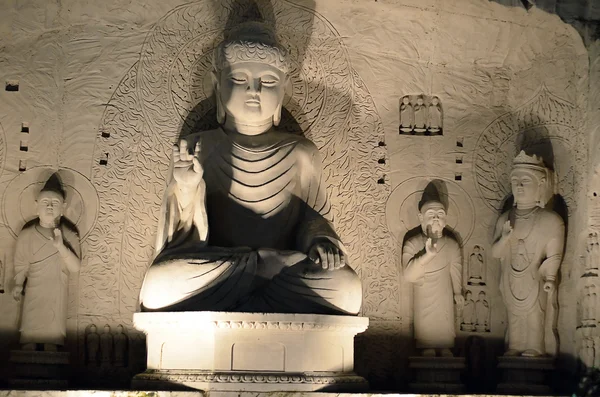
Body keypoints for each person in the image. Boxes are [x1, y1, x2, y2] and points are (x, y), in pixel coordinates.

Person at [139, 21, 361, 315]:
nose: (254, 89)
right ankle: (259, 269)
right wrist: (187, 188)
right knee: (158, 287)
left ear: (283, 90)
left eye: (268, 81)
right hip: (230, 267)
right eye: (240, 79)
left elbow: (313, 218)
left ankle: (257, 274)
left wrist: (321, 241)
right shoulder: (196, 147)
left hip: (279, 267)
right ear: (218, 85)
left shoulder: (301, 152)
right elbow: (180, 241)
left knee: (347, 290)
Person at [492, 151, 564, 357]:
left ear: (540, 185)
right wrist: (504, 238)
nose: (519, 186)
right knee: (514, 315)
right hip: (510, 276)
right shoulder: (505, 218)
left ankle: (535, 346)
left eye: (525, 181)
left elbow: (554, 255)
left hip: (535, 276)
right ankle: (515, 345)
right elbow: (496, 253)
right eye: (515, 181)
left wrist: (550, 277)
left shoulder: (551, 220)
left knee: (535, 314)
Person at [12, 173, 81, 351]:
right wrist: (18, 284)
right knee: (28, 340)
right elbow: (21, 263)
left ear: (63, 207)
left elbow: (75, 268)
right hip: (34, 291)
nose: (49, 206)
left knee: (52, 342)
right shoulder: (27, 234)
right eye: (45, 202)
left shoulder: (69, 234)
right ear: (36, 206)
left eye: (55, 203)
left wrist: (61, 246)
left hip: (56, 292)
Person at [402, 182, 463, 357]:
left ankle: (445, 346)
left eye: (440, 214)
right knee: (426, 322)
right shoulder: (413, 243)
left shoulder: (451, 245)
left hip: (444, 291)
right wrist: (427, 255)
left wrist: (457, 292)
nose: (436, 219)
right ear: (420, 217)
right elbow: (408, 275)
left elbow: (455, 269)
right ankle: (426, 346)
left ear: (445, 218)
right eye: (431, 215)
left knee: (445, 319)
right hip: (424, 292)